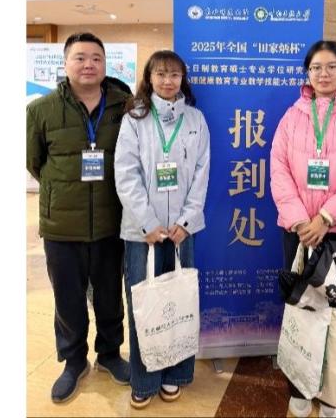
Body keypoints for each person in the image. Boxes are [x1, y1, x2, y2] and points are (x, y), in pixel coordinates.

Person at [270, 40, 336, 418]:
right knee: (301, 311)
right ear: (308, 73)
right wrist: (302, 220)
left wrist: (326, 218)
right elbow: (278, 170)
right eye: (316, 67)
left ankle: (332, 396)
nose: (324, 74)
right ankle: (300, 390)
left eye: (332, 66)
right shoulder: (292, 116)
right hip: (299, 233)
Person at [26, 32, 132, 403]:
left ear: (105, 64)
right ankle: (73, 361)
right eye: (80, 57)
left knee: (109, 295)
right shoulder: (41, 110)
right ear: (66, 63)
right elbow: (34, 161)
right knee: (68, 298)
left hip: (111, 221)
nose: (89, 65)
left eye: (96, 58)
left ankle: (109, 354)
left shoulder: (124, 106)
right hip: (62, 225)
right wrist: (62, 190)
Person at [114, 50, 210, 409]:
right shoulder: (135, 118)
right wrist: (148, 223)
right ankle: (144, 380)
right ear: (149, 78)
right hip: (143, 233)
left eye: (174, 75)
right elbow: (126, 175)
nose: (168, 81)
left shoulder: (196, 119)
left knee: (179, 303)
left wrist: (186, 221)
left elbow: (202, 172)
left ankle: (176, 374)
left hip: (182, 231)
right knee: (144, 305)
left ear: (182, 79)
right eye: (161, 74)